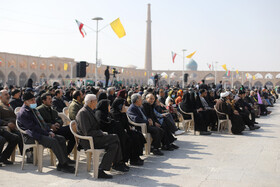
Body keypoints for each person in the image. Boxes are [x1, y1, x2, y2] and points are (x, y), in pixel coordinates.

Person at [17, 92, 75, 173]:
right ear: (25, 102)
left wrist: (49, 131)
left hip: (40, 133)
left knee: (61, 139)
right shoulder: (24, 113)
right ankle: (64, 164)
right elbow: (34, 128)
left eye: (34, 99)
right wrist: (47, 133)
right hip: (32, 136)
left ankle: (62, 163)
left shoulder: (33, 110)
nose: (34, 102)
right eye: (31, 100)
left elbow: (42, 124)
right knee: (53, 141)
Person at [75, 94, 128, 179]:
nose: (97, 102)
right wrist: (101, 133)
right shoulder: (83, 113)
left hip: (95, 138)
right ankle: (118, 163)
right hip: (89, 141)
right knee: (115, 137)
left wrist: (101, 133)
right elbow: (87, 132)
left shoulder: (90, 110)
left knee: (114, 145)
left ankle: (101, 169)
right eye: (95, 100)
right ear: (91, 102)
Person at [110, 98, 146, 166]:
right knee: (131, 139)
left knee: (138, 135)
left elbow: (126, 124)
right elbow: (119, 125)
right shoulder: (114, 113)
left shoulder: (122, 113)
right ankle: (130, 159)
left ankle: (135, 157)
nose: (124, 106)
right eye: (123, 105)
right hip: (119, 133)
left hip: (125, 131)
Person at [0, 90, 23, 155]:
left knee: (23, 135)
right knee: (17, 136)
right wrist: (7, 123)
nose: (8, 96)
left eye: (8, 94)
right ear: (0, 97)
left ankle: (3, 158)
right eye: (6, 95)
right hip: (6, 128)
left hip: (14, 126)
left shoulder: (9, 105)